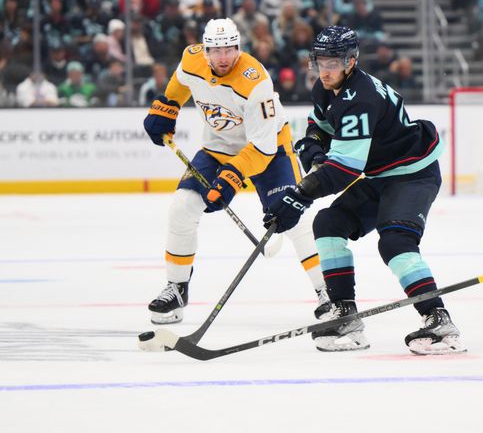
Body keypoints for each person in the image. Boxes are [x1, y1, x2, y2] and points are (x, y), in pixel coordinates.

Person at [263, 26, 464, 355]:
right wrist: (313, 146)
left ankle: (438, 320)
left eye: (333, 63)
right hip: (381, 173)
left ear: (351, 62)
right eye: (320, 62)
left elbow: (344, 170)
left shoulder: (361, 98)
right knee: (328, 224)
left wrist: (299, 196)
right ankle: (346, 315)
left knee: (396, 240)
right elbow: (320, 126)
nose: (324, 70)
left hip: (413, 173)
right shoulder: (325, 88)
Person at [142, 18, 330, 325]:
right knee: (182, 208)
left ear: (238, 48)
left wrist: (231, 178)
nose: (222, 57)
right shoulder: (192, 58)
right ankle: (176, 289)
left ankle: (327, 292)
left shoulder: (255, 82)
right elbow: (179, 84)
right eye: (215, 50)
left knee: (292, 218)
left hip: (269, 149)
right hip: (218, 147)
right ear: (205, 50)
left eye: (229, 49)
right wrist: (167, 107)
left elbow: (261, 148)